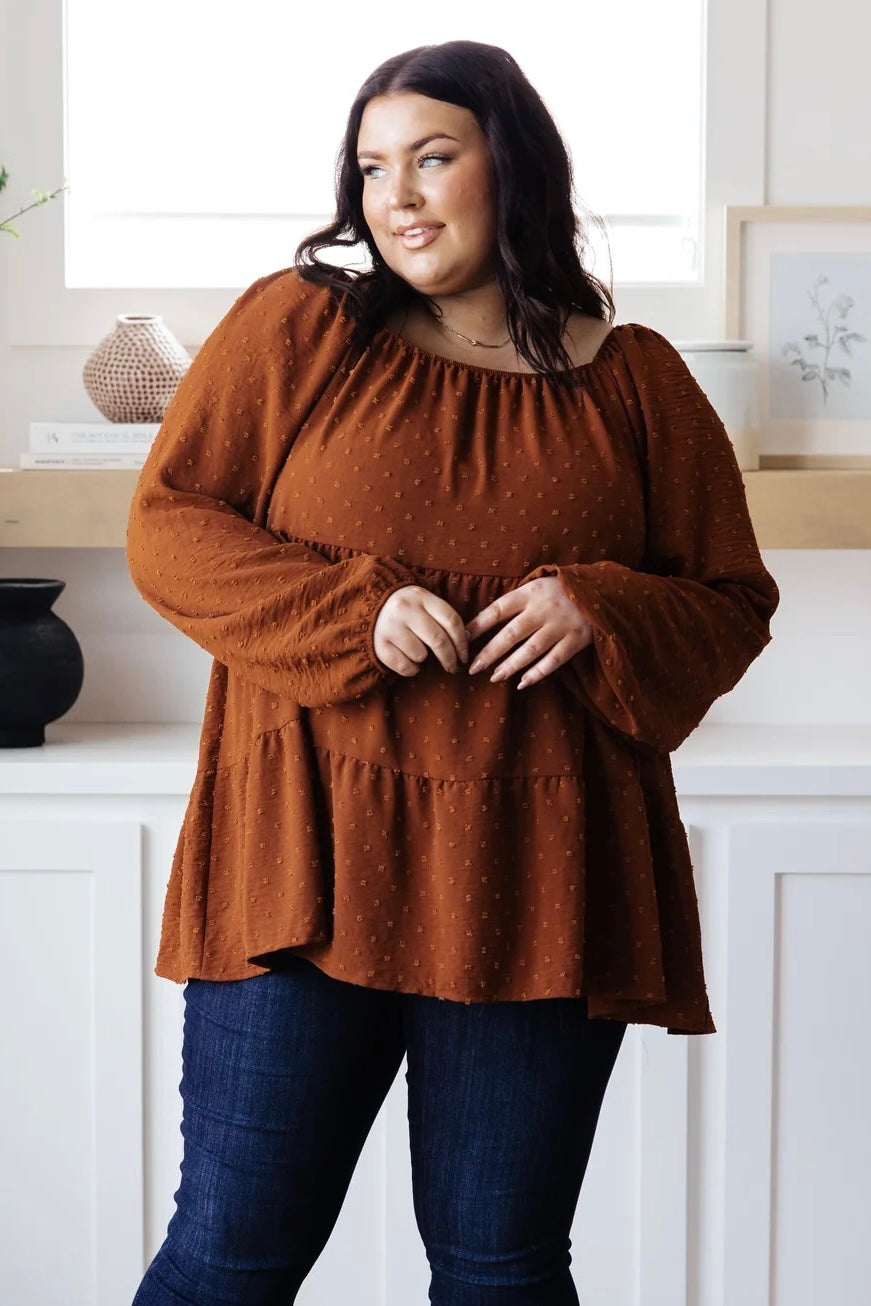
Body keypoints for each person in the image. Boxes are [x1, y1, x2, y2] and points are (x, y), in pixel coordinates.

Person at [126, 38, 779, 1306]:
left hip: (538, 884)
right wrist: (352, 611)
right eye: (372, 168)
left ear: (511, 166)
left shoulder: (636, 382)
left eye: (431, 158)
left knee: (502, 1273)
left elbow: (730, 602)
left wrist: (600, 605)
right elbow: (170, 527)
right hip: (305, 870)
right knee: (227, 1262)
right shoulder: (301, 329)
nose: (398, 197)